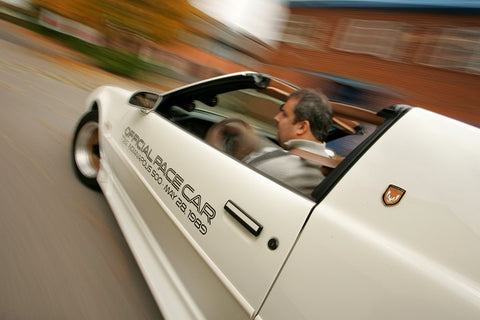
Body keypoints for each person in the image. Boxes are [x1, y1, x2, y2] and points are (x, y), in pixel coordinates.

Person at [243, 88, 334, 196]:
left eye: (284, 114)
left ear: (301, 127)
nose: (277, 117)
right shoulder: (326, 169)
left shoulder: (274, 163)